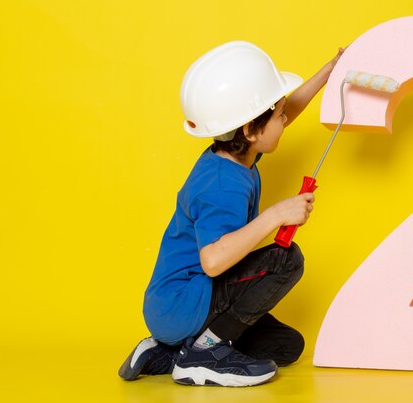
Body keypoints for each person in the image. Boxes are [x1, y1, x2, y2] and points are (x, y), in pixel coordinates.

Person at [118, 41, 344, 387]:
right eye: (279, 115)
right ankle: (204, 353)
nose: (286, 118)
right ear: (252, 130)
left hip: (180, 308)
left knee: (285, 346)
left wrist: (329, 71)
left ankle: (167, 352)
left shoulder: (236, 152)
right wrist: (274, 216)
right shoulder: (224, 185)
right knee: (287, 260)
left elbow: (284, 111)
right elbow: (212, 260)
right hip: (184, 301)